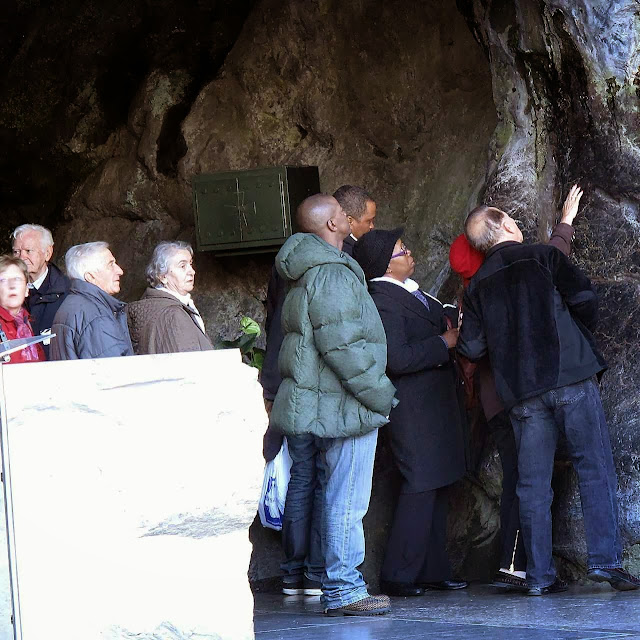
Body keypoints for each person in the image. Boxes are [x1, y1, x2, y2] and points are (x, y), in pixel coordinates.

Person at [457, 185, 640, 595]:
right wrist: (573, 338)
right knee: (594, 467)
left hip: (521, 394)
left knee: (531, 485)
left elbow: (470, 347)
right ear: (503, 224)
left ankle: (538, 576)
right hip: (570, 376)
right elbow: (586, 300)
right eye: (511, 218)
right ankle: (605, 563)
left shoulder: (478, 285)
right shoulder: (543, 256)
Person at [448, 185, 582, 591]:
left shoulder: (469, 295)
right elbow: (550, 262)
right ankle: (518, 563)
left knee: (520, 480)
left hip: (497, 402)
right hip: (517, 396)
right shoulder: (496, 284)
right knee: (528, 481)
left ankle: (517, 563)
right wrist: (565, 223)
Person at [270, 193, 397, 616]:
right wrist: (379, 394)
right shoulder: (333, 274)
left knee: (333, 493)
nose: (349, 216)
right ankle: (343, 588)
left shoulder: (307, 271)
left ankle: (338, 584)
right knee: (347, 498)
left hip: (323, 404)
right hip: (345, 405)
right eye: (343, 214)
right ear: (330, 226)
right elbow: (343, 345)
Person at [353, 229, 467, 597]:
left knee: (434, 483)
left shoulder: (409, 291)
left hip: (433, 405)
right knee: (420, 484)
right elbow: (396, 358)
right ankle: (398, 574)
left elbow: (433, 317)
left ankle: (432, 569)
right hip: (412, 407)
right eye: (403, 249)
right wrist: (442, 343)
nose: (410, 251)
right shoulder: (382, 299)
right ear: (387, 262)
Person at [50, 242, 133, 360]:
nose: (120, 271)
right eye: (110, 265)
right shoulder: (96, 317)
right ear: (90, 277)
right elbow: (112, 372)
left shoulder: (72, 304)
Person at [127, 241, 212, 355]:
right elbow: (188, 365)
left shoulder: (161, 306)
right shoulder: (172, 315)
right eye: (183, 266)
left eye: (190, 264)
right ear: (162, 277)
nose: (192, 271)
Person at [12, 224, 70, 358]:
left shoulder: (67, 293)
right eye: (16, 252)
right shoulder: (5, 292)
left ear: (47, 253)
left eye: (28, 251)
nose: (21, 257)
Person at [0, 255, 45, 364]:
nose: (12, 286)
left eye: (17, 279)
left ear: (26, 290)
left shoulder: (27, 323)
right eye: (3, 280)